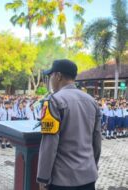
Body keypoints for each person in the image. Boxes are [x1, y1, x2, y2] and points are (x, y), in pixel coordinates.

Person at [37, 59, 102, 190]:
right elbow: (97, 139)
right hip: (88, 176)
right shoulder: (92, 101)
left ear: (58, 76)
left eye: (51, 76)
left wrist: (43, 178)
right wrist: (92, 165)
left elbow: (49, 145)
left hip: (62, 180)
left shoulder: (53, 101)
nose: (50, 79)